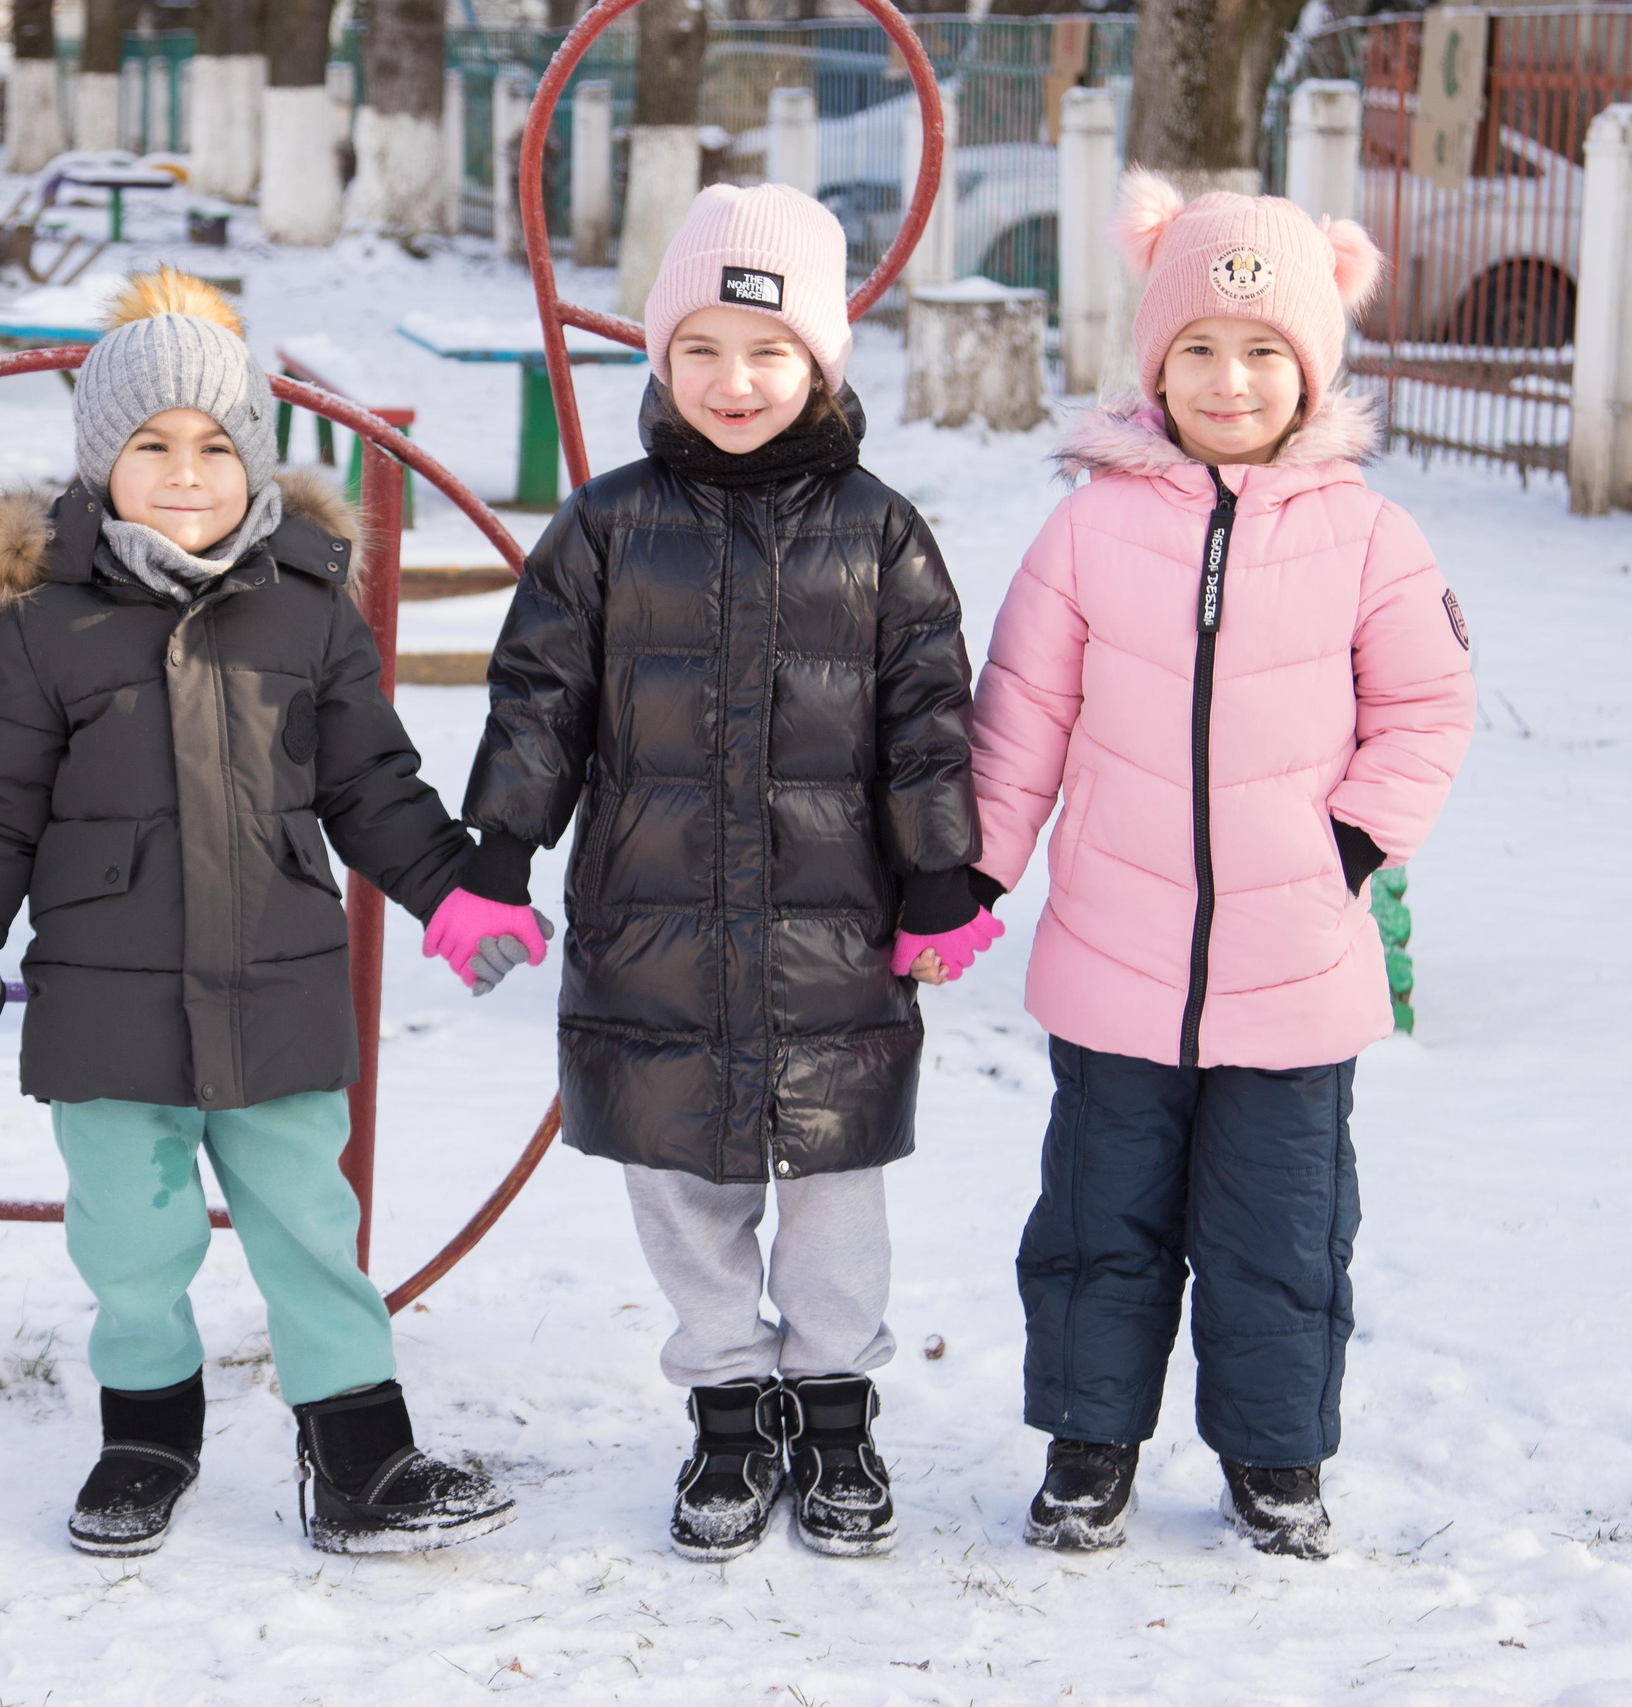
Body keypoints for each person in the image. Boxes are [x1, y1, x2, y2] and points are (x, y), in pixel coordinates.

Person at [433, 185, 996, 1561]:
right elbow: (538, 700)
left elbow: (927, 714)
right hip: (656, 928)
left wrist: (940, 873)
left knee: (835, 1184)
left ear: (820, 363)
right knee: (680, 1181)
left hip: (832, 935)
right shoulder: (607, 526)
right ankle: (731, 1407)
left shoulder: (879, 532)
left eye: (767, 351)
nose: (733, 382)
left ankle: (837, 1408)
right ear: (661, 358)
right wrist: (499, 851)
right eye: (701, 350)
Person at [0, 268, 519, 1558]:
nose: (186, 473)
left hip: (278, 981)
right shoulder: (39, 628)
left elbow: (370, 781)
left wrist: (451, 889)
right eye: (151, 445)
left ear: (255, 454)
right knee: (130, 1240)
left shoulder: (306, 611)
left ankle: (361, 1459)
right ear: (100, 460)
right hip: (109, 1001)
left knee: (313, 1225)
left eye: (214, 444)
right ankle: (146, 1441)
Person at [969, 173, 1476, 1559]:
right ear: (1155, 363)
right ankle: (1090, 1446)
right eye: (1197, 347)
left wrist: (1350, 842)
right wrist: (981, 869)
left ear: (1311, 368)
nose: (1229, 379)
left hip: (1296, 961)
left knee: (1281, 1229)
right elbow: (1022, 711)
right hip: (1116, 951)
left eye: (1262, 351)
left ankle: (1274, 1453)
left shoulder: (1370, 537)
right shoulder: (1089, 528)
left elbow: (1427, 706)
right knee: (1100, 1222)